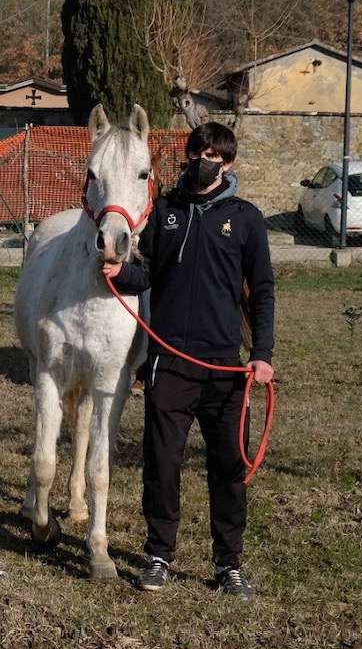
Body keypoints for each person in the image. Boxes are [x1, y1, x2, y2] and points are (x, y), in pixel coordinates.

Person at [103, 121, 275, 599]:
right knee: (161, 462)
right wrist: (121, 272)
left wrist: (260, 354)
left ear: (227, 164)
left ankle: (228, 563)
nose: (200, 161)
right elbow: (148, 273)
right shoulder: (165, 211)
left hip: (226, 367)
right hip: (169, 363)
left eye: (210, 156)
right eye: (195, 152)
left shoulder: (246, 219)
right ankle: (159, 553)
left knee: (228, 468)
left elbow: (261, 290)